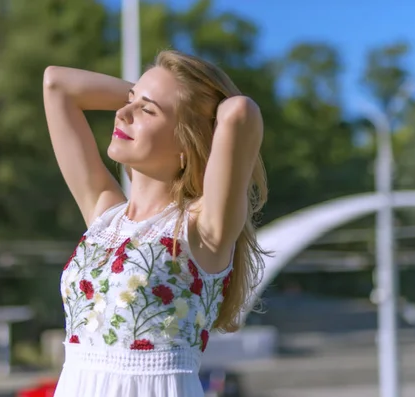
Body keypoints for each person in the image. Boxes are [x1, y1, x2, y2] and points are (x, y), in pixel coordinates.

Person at [43, 49, 267, 397]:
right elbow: (56, 84)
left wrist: (194, 108)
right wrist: (153, 97)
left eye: (146, 110)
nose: (122, 113)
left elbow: (240, 112)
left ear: (186, 141)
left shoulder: (202, 227)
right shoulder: (105, 215)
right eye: (129, 100)